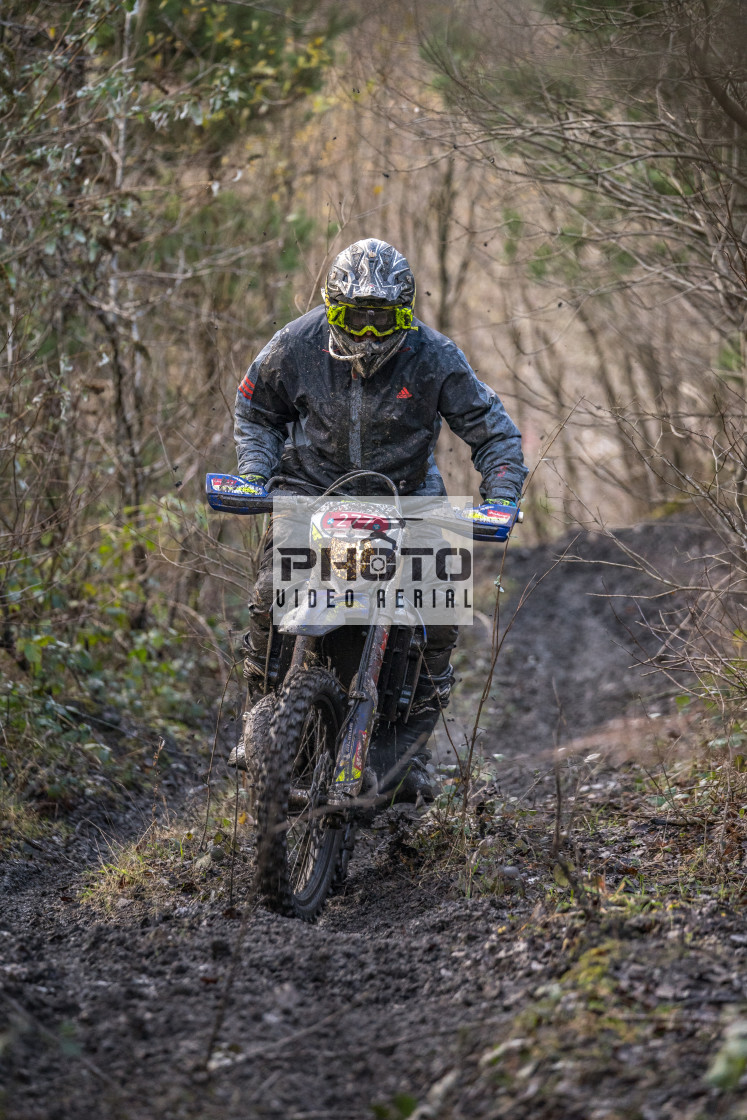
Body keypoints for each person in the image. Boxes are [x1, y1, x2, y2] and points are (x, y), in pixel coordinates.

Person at [230, 238, 528, 801]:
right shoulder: (295, 343)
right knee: (272, 592)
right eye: (353, 317)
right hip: (311, 487)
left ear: (406, 314)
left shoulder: (435, 356)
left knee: (440, 611)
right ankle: (258, 714)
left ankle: (407, 747)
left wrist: (502, 495)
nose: (367, 332)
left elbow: (495, 432)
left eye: (381, 318)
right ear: (330, 308)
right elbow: (254, 409)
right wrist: (254, 471)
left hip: (409, 495)